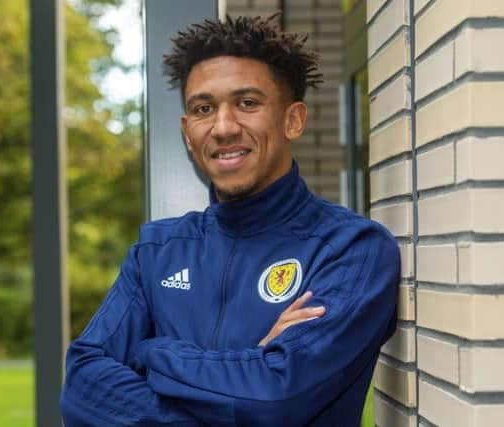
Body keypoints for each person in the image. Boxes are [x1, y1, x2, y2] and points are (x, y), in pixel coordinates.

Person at [60, 14, 400, 427]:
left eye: (247, 103)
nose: (223, 127)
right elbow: (82, 387)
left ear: (293, 119)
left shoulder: (351, 250)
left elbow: (274, 400)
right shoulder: (157, 252)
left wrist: (147, 352)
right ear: (188, 132)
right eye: (204, 108)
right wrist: (252, 365)